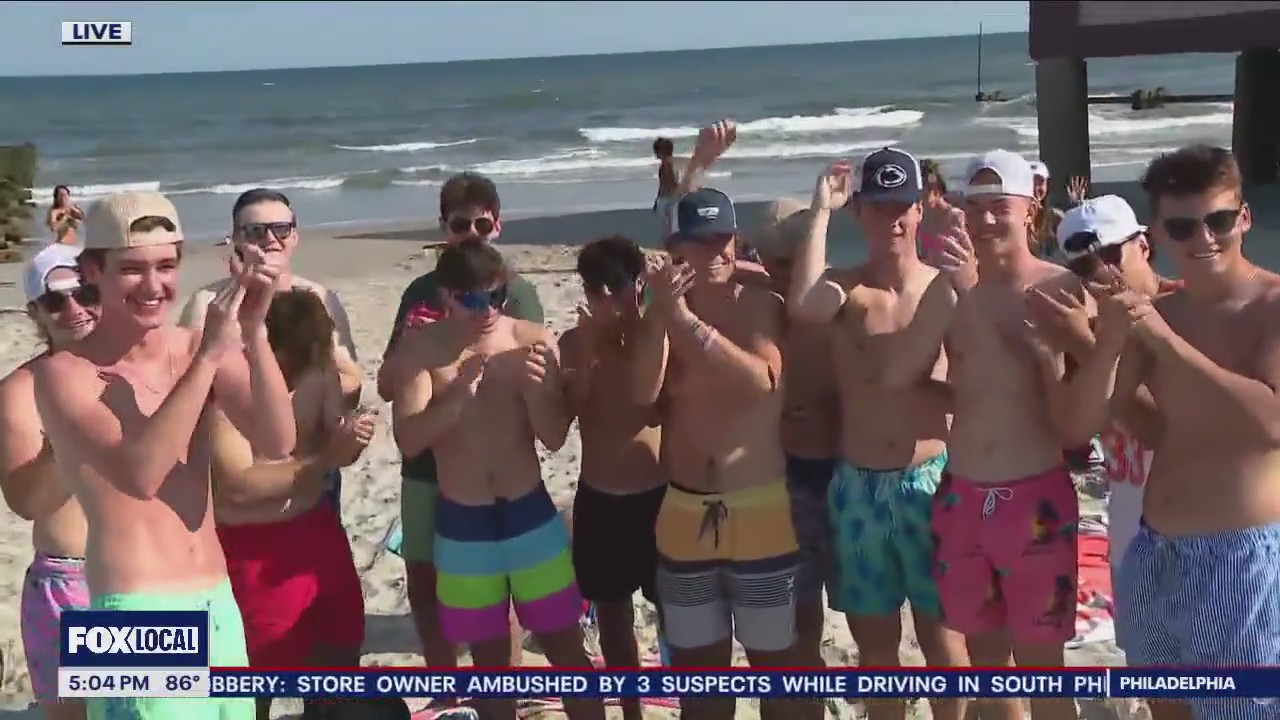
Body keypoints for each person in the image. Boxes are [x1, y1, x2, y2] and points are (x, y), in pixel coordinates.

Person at [31, 190, 296, 720]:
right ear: (92, 271)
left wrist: (254, 332)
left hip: (218, 599)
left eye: (167, 266)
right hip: (131, 610)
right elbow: (141, 474)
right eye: (132, 269)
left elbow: (277, 440)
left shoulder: (199, 342)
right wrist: (209, 360)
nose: (154, 286)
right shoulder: (65, 373)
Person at [1061, 146, 1280, 720]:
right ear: (1158, 231)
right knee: (1167, 707)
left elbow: (1269, 423)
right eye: (1184, 225)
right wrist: (1108, 338)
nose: (1204, 238)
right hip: (1154, 550)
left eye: (1219, 220)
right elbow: (1082, 423)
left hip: (1241, 557)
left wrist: (1160, 339)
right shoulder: (1160, 314)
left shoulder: (1270, 306)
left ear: (1245, 218)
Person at [882, 150, 1081, 720]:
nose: (988, 221)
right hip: (964, 493)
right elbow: (899, 376)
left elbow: (1060, 396)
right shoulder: (948, 290)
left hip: (1034, 496)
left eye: (1001, 208)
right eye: (978, 209)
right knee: (985, 661)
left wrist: (970, 290)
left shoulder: (1058, 286)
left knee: (1043, 668)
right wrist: (960, 392)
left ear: (1030, 208)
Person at [388, 239, 603, 720]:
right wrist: (457, 398)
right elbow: (409, 439)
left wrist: (535, 392)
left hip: (529, 515)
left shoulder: (529, 339)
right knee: (489, 666)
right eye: (473, 300)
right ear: (446, 296)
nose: (487, 311)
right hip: (464, 526)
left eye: (497, 297)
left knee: (566, 649)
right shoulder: (422, 351)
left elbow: (551, 437)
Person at [787, 150, 967, 720]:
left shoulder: (948, 289)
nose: (891, 219)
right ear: (858, 211)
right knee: (876, 646)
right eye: (877, 207)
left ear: (919, 212)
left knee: (945, 641)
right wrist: (819, 214)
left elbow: (978, 387)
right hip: (859, 487)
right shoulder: (844, 290)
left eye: (902, 208)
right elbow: (805, 307)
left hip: (932, 481)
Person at [632, 186, 800, 720]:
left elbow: (762, 384)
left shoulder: (757, 302)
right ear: (679, 247)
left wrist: (686, 324)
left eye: (723, 238)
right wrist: (663, 315)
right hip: (685, 511)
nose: (717, 252)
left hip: (759, 508)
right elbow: (640, 395)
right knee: (700, 679)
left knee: (776, 672)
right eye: (702, 242)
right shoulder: (658, 310)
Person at [377, 172, 540, 677]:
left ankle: (506, 689)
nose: (471, 232)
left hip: (490, 469)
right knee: (425, 583)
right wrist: (419, 346)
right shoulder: (421, 292)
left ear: (498, 223)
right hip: (426, 462)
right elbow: (386, 384)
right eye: (459, 223)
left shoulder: (515, 291)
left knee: (501, 595)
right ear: (443, 227)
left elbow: (531, 376)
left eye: (482, 222)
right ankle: (447, 685)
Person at [211, 288, 374, 720]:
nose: (301, 365)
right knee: (255, 676)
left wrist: (350, 439)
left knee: (338, 658)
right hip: (252, 545)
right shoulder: (226, 390)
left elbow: (334, 443)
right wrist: (325, 460)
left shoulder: (316, 372)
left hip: (316, 531)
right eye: (296, 354)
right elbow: (237, 487)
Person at [180, 189, 362, 517]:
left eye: (280, 229)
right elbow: (193, 393)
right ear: (235, 238)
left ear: (295, 235)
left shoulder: (320, 298)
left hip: (313, 473)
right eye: (254, 231)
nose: (270, 239)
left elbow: (351, 380)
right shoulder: (209, 304)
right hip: (241, 479)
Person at [560, 236, 666, 720]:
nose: (607, 296)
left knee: (677, 614)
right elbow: (567, 416)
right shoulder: (572, 341)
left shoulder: (657, 335)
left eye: (617, 284)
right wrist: (587, 352)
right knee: (612, 617)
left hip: (658, 494)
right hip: (600, 495)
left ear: (637, 283)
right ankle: (630, 711)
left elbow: (655, 402)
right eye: (595, 287)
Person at [0, 244, 99, 720]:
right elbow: (27, 501)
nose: (76, 308)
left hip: (151, 574)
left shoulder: (146, 369)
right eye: (57, 300)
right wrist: (68, 435)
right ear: (35, 311)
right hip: (72, 585)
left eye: (87, 293)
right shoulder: (23, 389)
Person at [749, 198, 839, 680]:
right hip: (788, 476)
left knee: (869, 620)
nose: (786, 270)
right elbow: (685, 256)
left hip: (843, 471)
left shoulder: (835, 301)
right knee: (800, 617)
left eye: (796, 258)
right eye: (777, 261)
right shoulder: (760, 303)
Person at [918, 160, 966, 267]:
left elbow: (965, 255)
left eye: (922, 195)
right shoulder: (922, 218)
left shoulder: (956, 217)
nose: (918, 200)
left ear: (935, 192)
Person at [654, 137, 679, 236]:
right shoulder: (669, 163)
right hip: (666, 197)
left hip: (668, 198)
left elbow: (671, 183)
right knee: (669, 226)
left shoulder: (668, 164)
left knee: (668, 227)